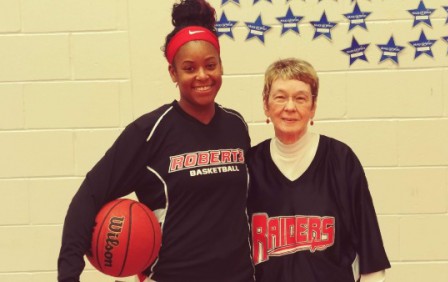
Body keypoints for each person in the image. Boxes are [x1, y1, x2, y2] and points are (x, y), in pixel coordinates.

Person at [57, 0, 254, 281]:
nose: (202, 76)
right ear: (173, 73)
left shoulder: (236, 125)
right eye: (189, 68)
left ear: (221, 66)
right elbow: (89, 195)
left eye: (210, 65)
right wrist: (69, 274)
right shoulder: (150, 132)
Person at [246, 58, 391, 282]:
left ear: (313, 107)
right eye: (280, 97)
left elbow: (371, 258)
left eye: (301, 98)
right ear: (266, 104)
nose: (290, 107)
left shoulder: (341, 161)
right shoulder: (249, 166)